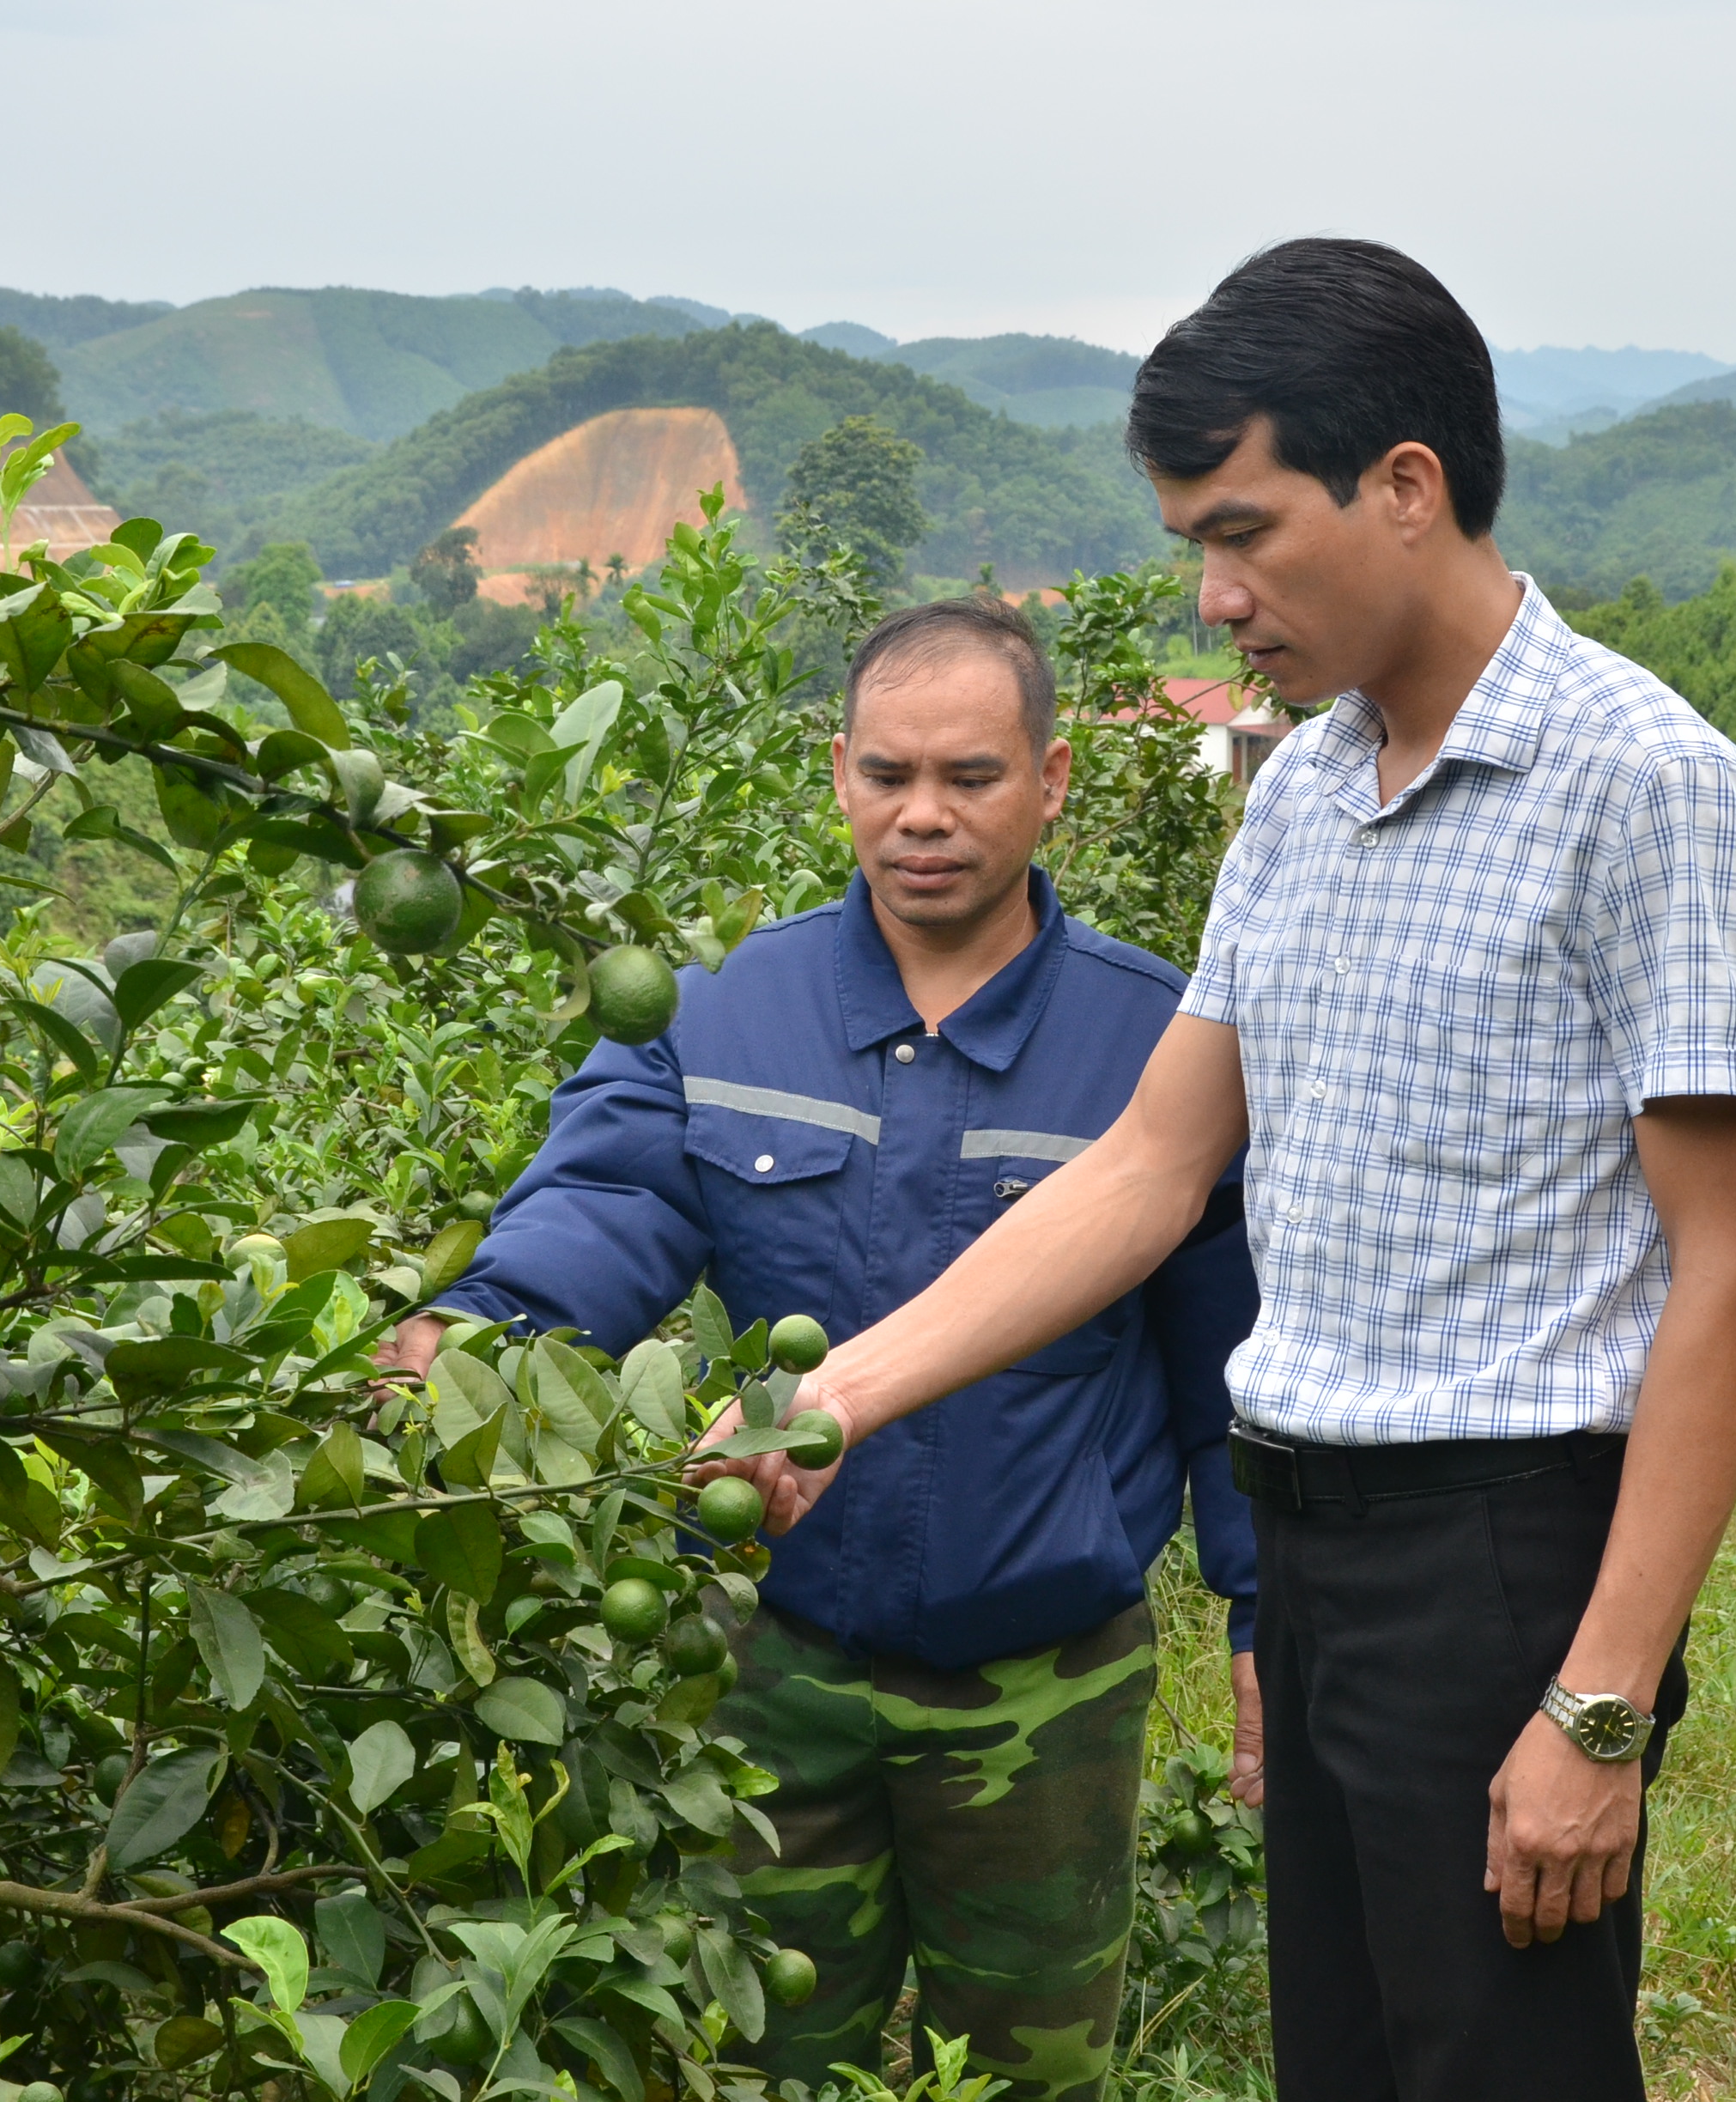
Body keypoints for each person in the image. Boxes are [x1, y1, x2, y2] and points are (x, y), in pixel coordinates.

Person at [695, 240, 1736, 2102]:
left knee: (1498, 2065)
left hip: (1505, 1558)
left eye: (1243, 533)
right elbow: (1148, 1167)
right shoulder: (1299, 792)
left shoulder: (1645, 786)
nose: (1213, 598)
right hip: (1320, 1548)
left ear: (1407, 487)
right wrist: (837, 1399)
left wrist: (1598, 1707)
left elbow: (1732, 1277)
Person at [379, 594, 1260, 2102]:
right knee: (768, 2059)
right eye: (888, 775)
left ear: (1050, 782)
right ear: (836, 770)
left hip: (1040, 1681)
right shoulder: (718, 1005)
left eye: (973, 778)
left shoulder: (1161, 1041)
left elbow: (1234, 1367)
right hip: (767, 1662)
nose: (925, 818)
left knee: (1031, 2072)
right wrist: (473, 1333)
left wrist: (1263, 1615)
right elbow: (604, 1203)